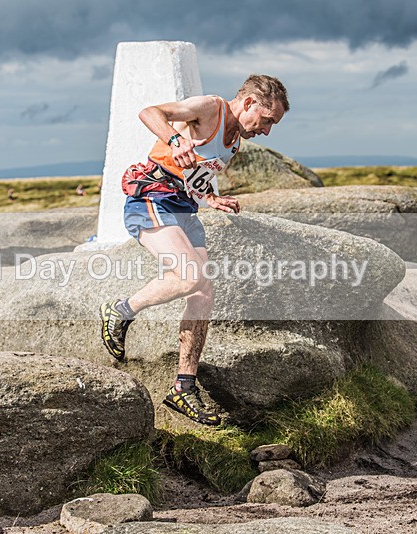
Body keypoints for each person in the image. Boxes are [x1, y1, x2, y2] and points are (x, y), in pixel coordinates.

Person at [100, 74, 289, 425]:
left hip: (185, 207)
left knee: (203, 292)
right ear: (248, 103)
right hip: (151, 196)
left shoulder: (234, 143)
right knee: (189, 277)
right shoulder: (209, 108)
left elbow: (196, 175)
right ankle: (121, 310)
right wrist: (174, 138)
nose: (266, 131)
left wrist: (212, 197)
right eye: (267, 121)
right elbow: (149, 112)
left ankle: (183, 386)